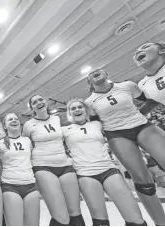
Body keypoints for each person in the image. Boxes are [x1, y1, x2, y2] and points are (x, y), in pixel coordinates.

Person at [85, 68, 165, 225]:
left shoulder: (127, 86)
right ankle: (161, 223)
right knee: (142, 181)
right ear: (89, 82)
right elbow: (96, 124)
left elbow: (152, 99)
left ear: (107, 74)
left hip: (142, 126)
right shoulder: (89, 102)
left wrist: (140, 114)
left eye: (99, 69)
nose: (95, 71)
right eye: (91, 73)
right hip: (117, 135)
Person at [63, 99, 145, 226]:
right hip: (85, 174)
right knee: (100, 222)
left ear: (86, 110)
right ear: (69, 113)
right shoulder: (65, 130)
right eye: (73, 109)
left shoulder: (98, 124)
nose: (77, 110)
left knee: (136, 220)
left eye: (80, 107)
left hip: (109, 170)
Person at [23, 94, 84, 226]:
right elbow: (25, 146)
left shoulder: (56, 119)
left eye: (41, 99)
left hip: (64, 164)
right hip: (42, 166)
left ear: (45, 102)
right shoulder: (28, 125)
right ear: (32, 108)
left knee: (75, 214)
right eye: (35, 102)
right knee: (62, 217)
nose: (39, 102)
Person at [0, 113, 40, 226]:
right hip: (10, 186)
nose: (14, 120)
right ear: (5, 126)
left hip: (31, 185)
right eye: (10, 119)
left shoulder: (28, 141)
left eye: (16, 119)